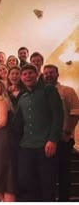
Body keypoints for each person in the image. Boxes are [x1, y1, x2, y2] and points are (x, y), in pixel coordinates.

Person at [15, 64, 64, 202]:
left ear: (37, 75)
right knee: (27, 183)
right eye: (24, 74)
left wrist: (53, 140)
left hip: (45, 146)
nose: (27, 76)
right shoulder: (22, 97)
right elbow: (16, 123)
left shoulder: (49, 90)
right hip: (26, 147)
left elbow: (58, 116)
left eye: (30, 73)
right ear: (21, 78)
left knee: (47, 186)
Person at [43, 64, 79, 201]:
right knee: (49, 175)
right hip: (46, 140)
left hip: (63, 140)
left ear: (57, 74)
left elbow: (75, 113)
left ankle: (64, 200)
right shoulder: (42, 93)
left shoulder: (67, 91)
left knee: (63, 173)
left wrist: (67, 133)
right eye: (45, 73)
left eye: (51, 72)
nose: (48, 75)